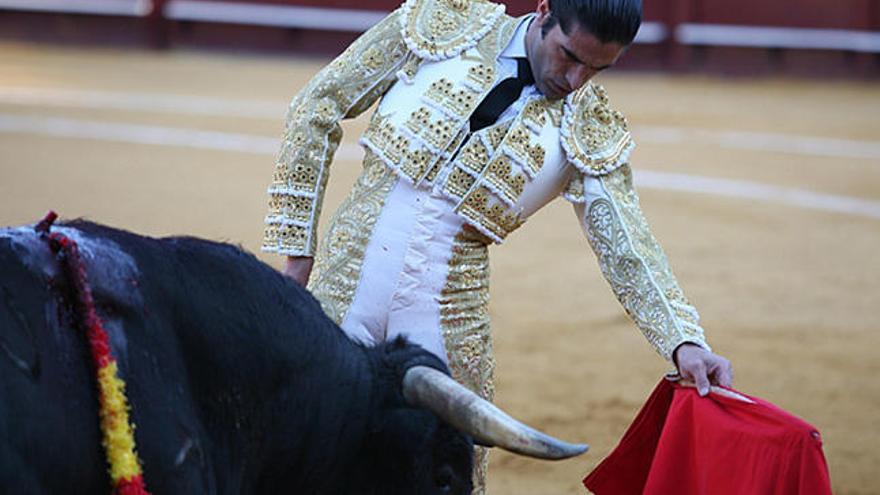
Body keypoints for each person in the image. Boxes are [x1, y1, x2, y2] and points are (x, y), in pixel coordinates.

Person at [262, 0, 733, 491]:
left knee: (442, 478)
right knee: (297, 453)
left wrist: (684, 340)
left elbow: (628, 245)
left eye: (597, 70)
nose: (575, 81)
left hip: (447, 323)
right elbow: (317, 104)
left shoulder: (589, 128)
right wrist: (297, 254)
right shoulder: (440, 25)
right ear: (544, 11)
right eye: (569, 56)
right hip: (341, 286)